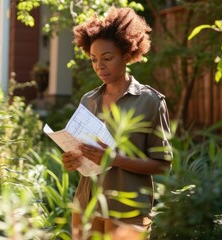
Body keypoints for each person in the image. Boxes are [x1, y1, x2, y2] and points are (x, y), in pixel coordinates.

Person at [61, 6, 173, 239]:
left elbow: (163, 165)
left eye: (107, 58)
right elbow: (84, 154)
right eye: (93, 60)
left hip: (127, 211)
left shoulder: (150, 101)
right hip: (86, 206)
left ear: (126, 53)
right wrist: (73, 159)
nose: (99, 66)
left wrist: (115, 159)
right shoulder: (89, 100)